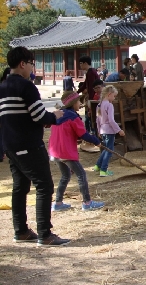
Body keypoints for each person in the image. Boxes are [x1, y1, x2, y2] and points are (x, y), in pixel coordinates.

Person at [0, 46, 70, 246]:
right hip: (28, 143)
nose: (32, 67)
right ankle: (45, 234)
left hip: (10, 144)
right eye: (31, 63)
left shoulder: (2, 86)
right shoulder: (26, 86)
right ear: (23, 64)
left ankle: (20, 231)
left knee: (20, 187)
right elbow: (39, 115)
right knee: (44, 185)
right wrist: (54, 117)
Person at [49, 91, 105, 211]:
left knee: (65, 175)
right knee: (81, 174)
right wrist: (96, 141)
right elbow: (83, 134)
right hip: (66, 151)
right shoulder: (73, 117)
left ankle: (58, 203)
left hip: (55, 151)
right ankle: (87, 202)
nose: (80, 104)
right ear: (73, 103)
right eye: (79, 101)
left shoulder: (58, 115)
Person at [93, 85, 125, 177]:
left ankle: (98, 166)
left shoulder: (99, 105)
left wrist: (99, 130)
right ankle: (103, 170)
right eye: (114, 96)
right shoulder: (109, 105)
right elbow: (111, 120)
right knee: (109, 150)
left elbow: (97, 120)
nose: (114, 98)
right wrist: (119, 130)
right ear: (109, 94)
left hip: (103, 130)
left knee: (106, 149)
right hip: (109, 130)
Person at [77, 56, 100, 135]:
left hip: (94, 98)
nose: (80, 65)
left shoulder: (91, 73)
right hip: (93, 97)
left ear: (86, 63)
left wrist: (90, 101)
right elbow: (84, 85)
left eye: (81, 64)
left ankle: (92, 134)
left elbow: (91, 88)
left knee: (90, 117)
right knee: (89, 117)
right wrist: (76, 93)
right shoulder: (90, 72)